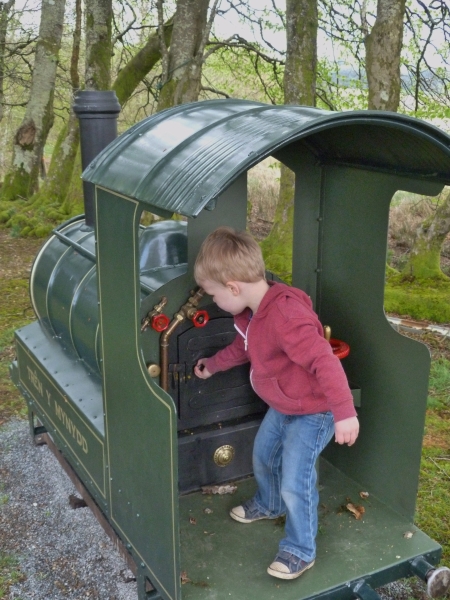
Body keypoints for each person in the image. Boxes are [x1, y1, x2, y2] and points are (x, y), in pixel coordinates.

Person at [193, 226, 359, 581]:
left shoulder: (285, 316)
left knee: (295, 481)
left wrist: (344, 413)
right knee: (264, 456)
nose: (215, 303)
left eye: (213, 295)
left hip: (315, 412)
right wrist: (214, 365)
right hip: (284, 405)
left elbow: (324, 361)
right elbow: (244, 347)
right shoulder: (252, 313)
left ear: (233, 287)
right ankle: (269, 505)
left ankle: (301, 550)